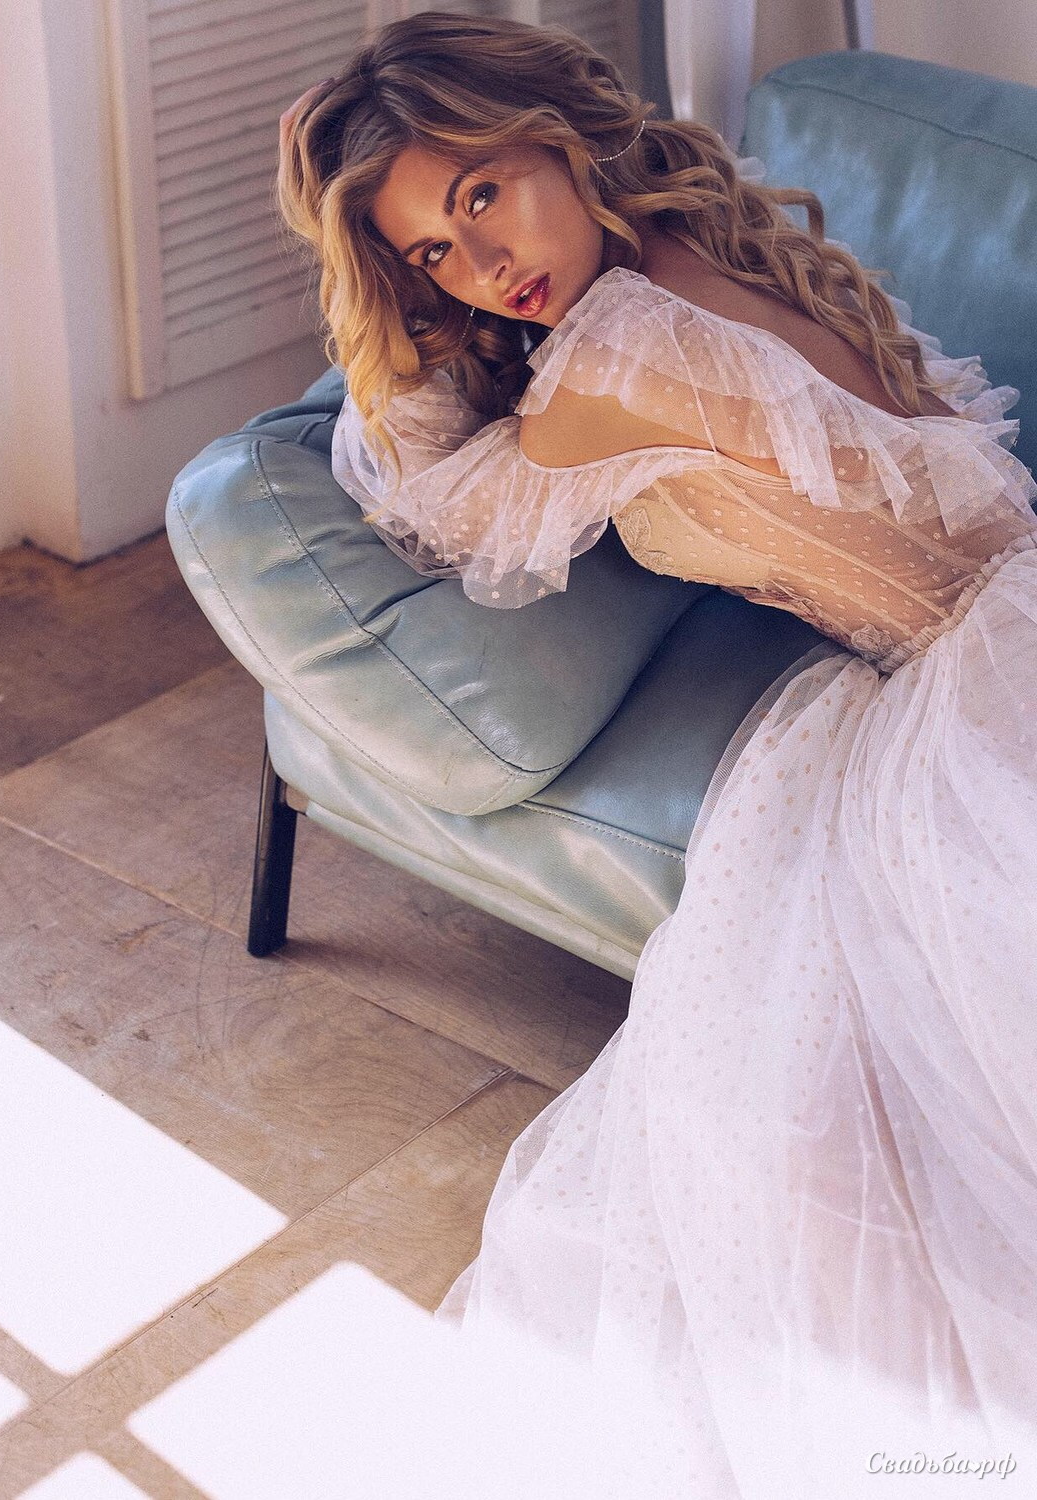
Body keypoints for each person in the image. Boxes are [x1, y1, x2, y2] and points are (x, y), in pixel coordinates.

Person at [276, 13, 1037, 1495]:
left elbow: (438, 509)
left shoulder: (621, 354)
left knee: (793, 1114)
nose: (481, 267)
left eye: (482, 194)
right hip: (982, 629)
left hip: (963, 676)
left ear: (556, 141)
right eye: (430, 253)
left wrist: (382, 333)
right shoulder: (698, 242)